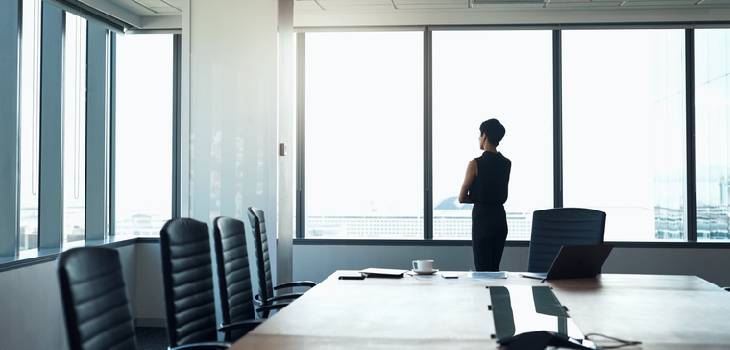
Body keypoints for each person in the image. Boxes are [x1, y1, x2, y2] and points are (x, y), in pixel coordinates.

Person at [459, 119, 511, 271]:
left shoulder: (475, 163)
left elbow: (461, 197)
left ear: (485, 136)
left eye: (479, 135)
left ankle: (484, 295)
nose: (478, 139)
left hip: (482, 220)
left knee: (482, 270)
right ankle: (495, 295)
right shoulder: (507, 163)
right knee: (494, 269)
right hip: (500, 219)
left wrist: (477, 199)